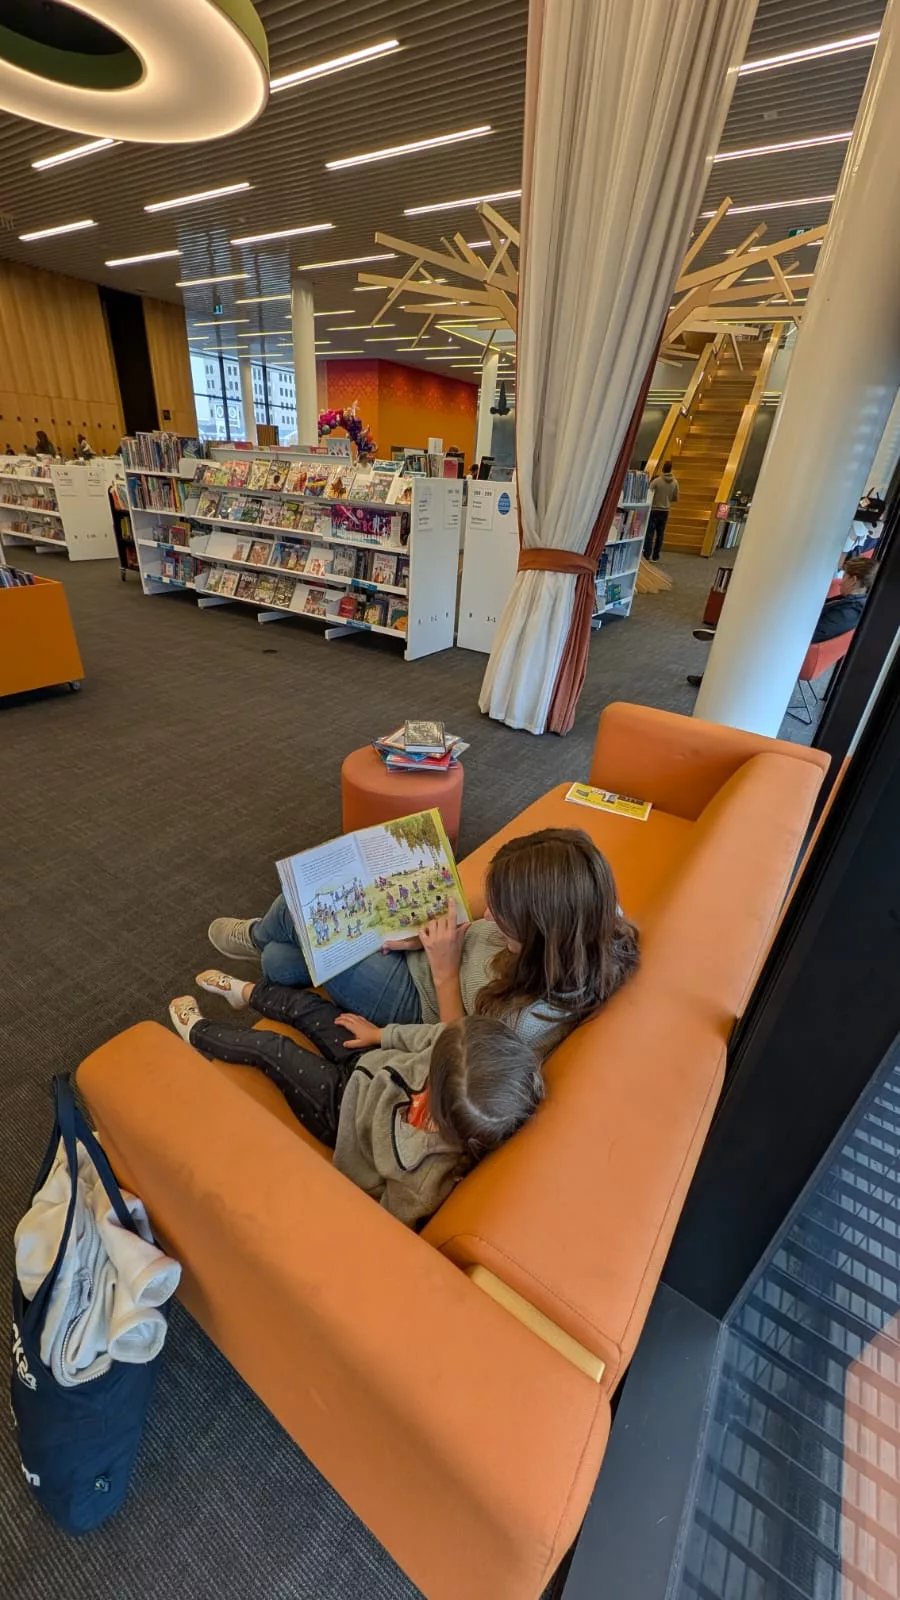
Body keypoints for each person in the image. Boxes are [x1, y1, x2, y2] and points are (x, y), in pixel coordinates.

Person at [207, 827, 640, 1048]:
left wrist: (444, 969)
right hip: (436, 950)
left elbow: (459, 1050)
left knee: (299, 912)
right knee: (282, 960)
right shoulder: (592, 913)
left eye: (504, 917)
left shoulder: (530, 1020)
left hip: (420, 998)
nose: (492, 916)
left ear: (541, 932)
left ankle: (257, 934)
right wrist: (426, 938)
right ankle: (267, 942)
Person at [167, 992, 543, 1227]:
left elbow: (384, 1222)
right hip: (369, 1060)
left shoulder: (421, 1178)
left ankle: (197, 1032)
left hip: (340, 1110)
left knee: (272, 1050)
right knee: (311, 1008)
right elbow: (433, 1036)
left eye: (429, 1080)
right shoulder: (460, 1057)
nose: (426, 1071)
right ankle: (247, 993)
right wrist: (380, 1034)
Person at [686, 558, 877, 687]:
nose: (841, 581)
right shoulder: (852, 604)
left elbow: (812, 634)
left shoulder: (850, 611)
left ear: (853, 580)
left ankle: (728, 639)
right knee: (756, 617)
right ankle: (732, 633)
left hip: (795, 648)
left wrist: (784, 625)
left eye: (844, 577)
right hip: (796, 637)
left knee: (744, 635)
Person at [644, 460, 679, 561]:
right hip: (665, 511)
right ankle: (656, 556)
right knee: (660, 534)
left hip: (654, 509)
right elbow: (675, 498)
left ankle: (647, 554)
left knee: (650, 533)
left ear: (663, 469)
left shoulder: (657, 481)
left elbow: (649, 494)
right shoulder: (675, 482)